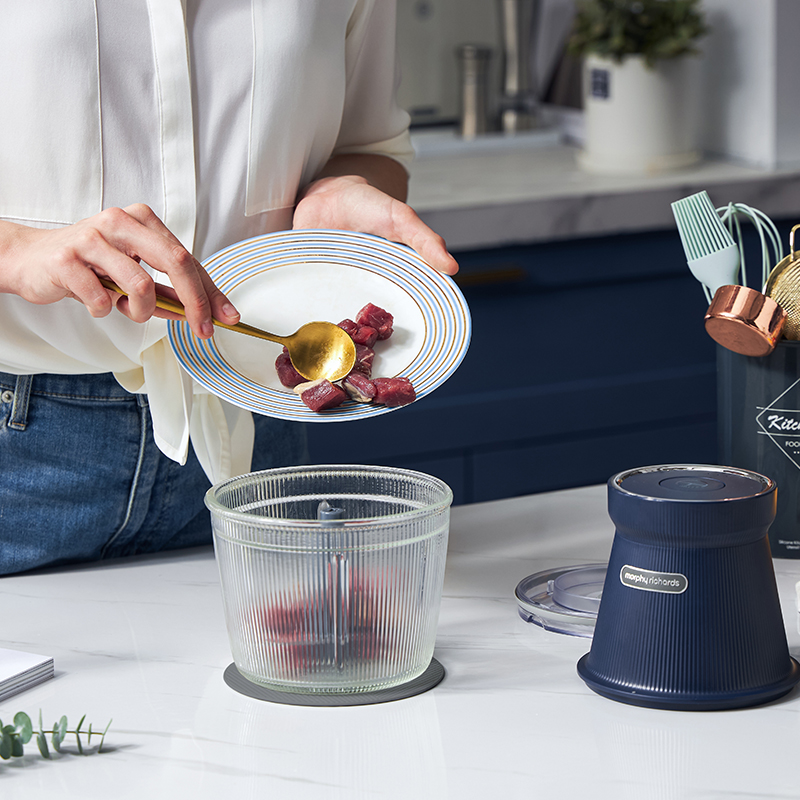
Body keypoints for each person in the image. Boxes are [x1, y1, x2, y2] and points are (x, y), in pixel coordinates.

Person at [0, 1, 458, 575]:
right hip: (20, 445)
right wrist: (12, 251)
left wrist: (341, 185)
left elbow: (372, 144)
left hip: (258, 428)